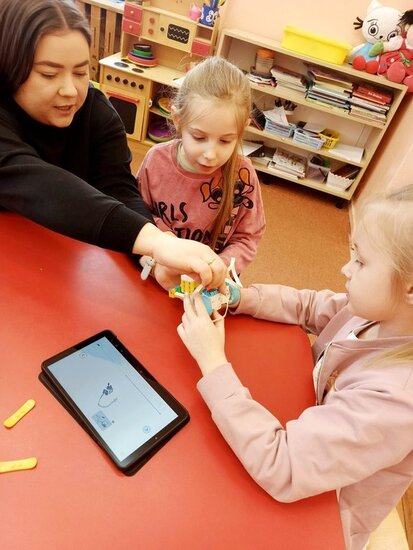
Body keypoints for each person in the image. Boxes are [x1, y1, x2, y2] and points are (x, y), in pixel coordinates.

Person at [177, 184, 413, 550]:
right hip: (308, 441)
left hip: (323, 520)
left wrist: (211, 360)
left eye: (362, 262)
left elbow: (281, 466)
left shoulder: (396, 401)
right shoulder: (376, 312)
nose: (345, 269)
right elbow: (309, 306)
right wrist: (242, 297)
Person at [0, 0, 226, 289]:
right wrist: (154, 242)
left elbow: (119, 188)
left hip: (56, 269)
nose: (70, 90)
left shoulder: (96, 113)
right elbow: (38, 186)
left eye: (80, 72)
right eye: (49, 74)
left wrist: (154, 257)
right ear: (10, 67)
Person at [137, 56, 266, 290]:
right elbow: (136, 215)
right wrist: (158, 256)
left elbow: (247, 238)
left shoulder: (243, 175)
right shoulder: (156, 161)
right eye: (198, 137)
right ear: (178, 120)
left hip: (208, 287)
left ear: (241, 130)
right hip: (155, 274)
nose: (210, 154)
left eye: (225, 141)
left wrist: (217, 269)